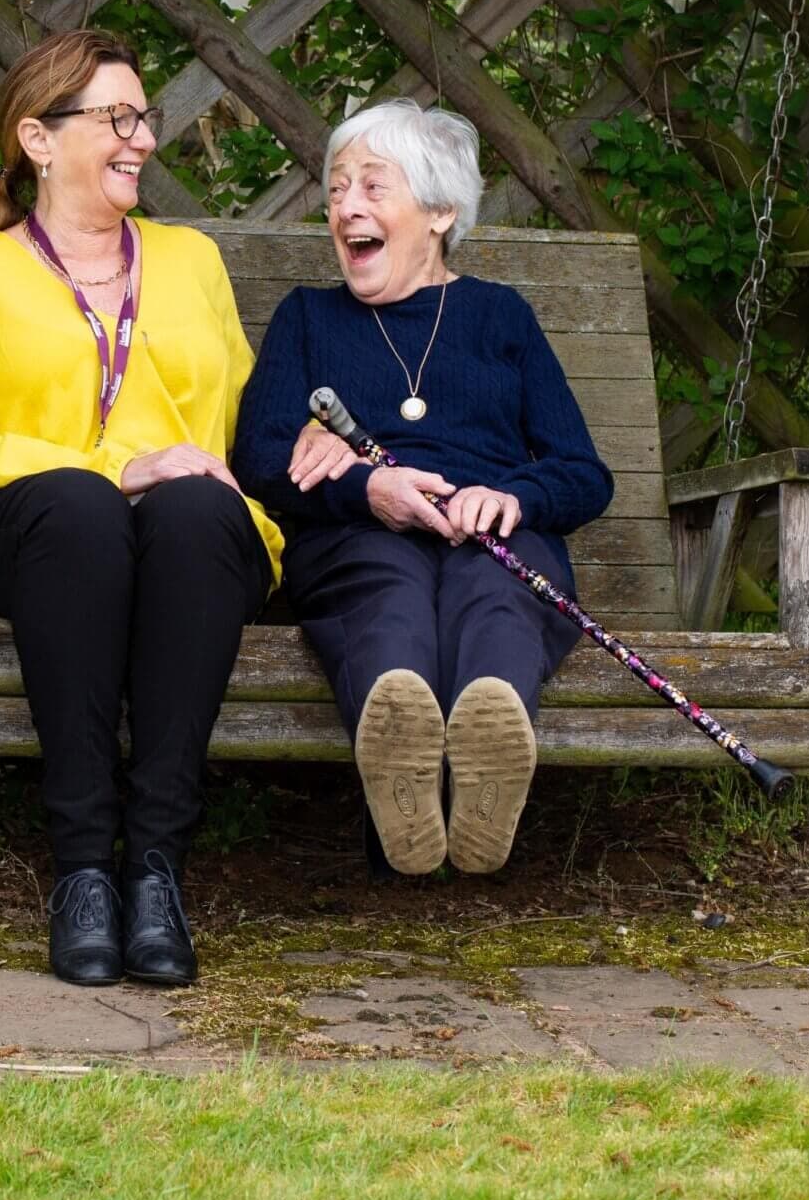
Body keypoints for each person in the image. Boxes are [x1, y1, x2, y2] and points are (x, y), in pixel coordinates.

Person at [0, 29, 282, 987]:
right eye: (117, 118)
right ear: (39, 139)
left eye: (143, 117)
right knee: (80, 507)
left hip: (183, 545)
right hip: (26, 539)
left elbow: (252, 410)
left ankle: (156, 871)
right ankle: (82, 871)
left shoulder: (192, 257)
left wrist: (317, 443)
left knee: (197, 512)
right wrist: (114, 469)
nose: (143, 139)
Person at [232, 100, 613, 878]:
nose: (346, 207)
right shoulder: (307, 318)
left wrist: (513, 500)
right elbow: (260, 458)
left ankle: (487, 758)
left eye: (373, 187)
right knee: (387, 591)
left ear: (439, 212)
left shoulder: (499, 316)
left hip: (494, 535)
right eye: (337, 190)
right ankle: (400, 774)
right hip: (356, 535)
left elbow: (582, 471)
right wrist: (365, 488)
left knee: (494, 592)